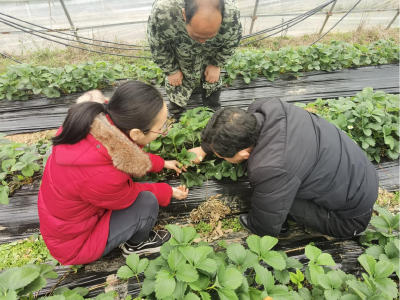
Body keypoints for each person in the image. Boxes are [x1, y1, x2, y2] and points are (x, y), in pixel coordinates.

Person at [38, 81, 189, 265]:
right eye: (161, 128)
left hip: (63, 223)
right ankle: (136, 245)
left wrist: (161, 163)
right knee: (146, 203)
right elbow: (131, 195)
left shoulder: (94, 121)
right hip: (75, 245)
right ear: (136, 133)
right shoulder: (105, 176)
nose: (163, 132)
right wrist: (168, 191)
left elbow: (127, 153)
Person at [189, 97, 379, 238]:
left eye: (222, 155)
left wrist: (258, 225)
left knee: (275, 199)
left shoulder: (271, 168)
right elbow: (230, 128)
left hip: (350, 218)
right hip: (361, 175)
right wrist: (206, 148)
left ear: (244, 154)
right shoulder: (270, 109)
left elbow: (268, 222)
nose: (220, 157)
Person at [147, 0, 242, 120]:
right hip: (180, 53)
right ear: (184, 14)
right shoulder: (164, 10)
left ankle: (213, 115)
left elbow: (232, 41)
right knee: (176, 85)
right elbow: (157, 45)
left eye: (209, 36)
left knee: (212, 83)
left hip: (211, 53)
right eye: (197, 36)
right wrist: (171, 70)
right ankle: (177, 116)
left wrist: (216, 64)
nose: (202, 41)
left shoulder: (230, 12)